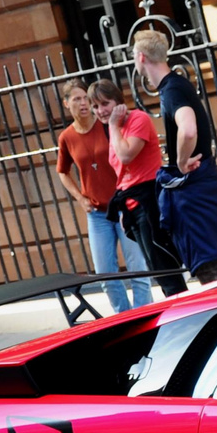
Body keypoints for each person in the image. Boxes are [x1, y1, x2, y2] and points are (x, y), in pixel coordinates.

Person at [132, 29, 217, 284]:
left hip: (195, 193)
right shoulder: (176, 85)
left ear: (141, 57)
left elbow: (188, 128)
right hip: (201, 188)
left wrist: (181, 161)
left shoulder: (172, 90)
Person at [55, 79, 152, 312]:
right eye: (76, 99)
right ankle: (123, 317)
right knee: (105, 275)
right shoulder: (67, 137)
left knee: (137, 267)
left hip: (123, 205)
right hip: (97, 214)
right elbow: (62, 172)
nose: (84, 104)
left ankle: (144, 313)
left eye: (86, 99)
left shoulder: (108, 125)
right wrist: (79, 198)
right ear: (67, 104)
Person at [88, 78, 188, 298]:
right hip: (131, 203)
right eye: (95, 107)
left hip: (149, 199)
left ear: (118, 101)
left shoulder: (137, 119)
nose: (101, 111)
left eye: (105, 103)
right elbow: (121, 174)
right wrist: (124, 210)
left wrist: (113, 126)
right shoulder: (115, 130)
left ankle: (183, 310)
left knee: (164, 266)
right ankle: (177, 306)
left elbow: (125, 155)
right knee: (156, 268)